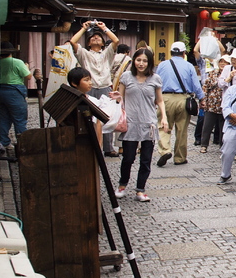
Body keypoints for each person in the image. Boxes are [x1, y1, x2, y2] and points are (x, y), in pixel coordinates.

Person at [116, 48, 169, 202]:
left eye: (145, 61)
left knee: (145, 160)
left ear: (150, 63)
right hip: (130, 123)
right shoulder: (126, 77)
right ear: (134, 61)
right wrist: (116, 102)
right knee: (128, 158)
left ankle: (140, 190)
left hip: (149, 124)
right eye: (138, 60)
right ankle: (122, 185)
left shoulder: (155, 78)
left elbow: (159, 100)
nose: (141, 63)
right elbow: (121, 98)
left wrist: (164, 117)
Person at [69, 20, 120, 156]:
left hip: (104, 88)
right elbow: (73, 42)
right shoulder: (84, 54)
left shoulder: (107, 53)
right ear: (88, 43)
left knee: (107, 118)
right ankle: (91, 145)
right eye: (92, 37)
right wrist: (84, 29)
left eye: (98, 37)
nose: (96, 38)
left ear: (103, 43)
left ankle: (108, 148)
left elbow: (115, 40)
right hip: (89, 89)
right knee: (89, 119)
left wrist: (104, 28)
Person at [155, 41, 204, 167]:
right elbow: (196, 85)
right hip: (184, 99)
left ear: (171, 52)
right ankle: (180, 158)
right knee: (182, 130)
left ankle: (165, 150)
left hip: (164, 98)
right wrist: (202, 99)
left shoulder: (162, 65)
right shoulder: (189, 66)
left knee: (163, 126)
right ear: (183, 53)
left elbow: (156, 82)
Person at [0, 41, 35, 153]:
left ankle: (4, 142)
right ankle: (23, 144)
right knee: (20, 119)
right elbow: (28, 76)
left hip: (2, 90)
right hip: (14, 92)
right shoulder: (17, 62)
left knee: (4, 118)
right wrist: (27, 67)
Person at [200, 56, 229, 153]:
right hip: (212, 104)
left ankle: (222, 146)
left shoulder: (231, 74)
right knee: (207, 126)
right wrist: (203, 100)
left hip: (224, 104)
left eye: (225, 62)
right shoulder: (213, 73)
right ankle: (204, 145)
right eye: (221, 62)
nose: (222, 64)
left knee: (223, 128)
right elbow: (206, 87)